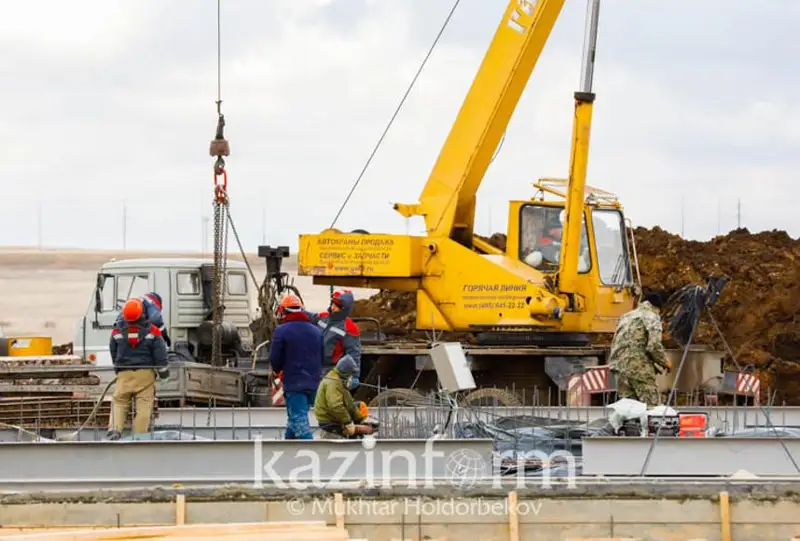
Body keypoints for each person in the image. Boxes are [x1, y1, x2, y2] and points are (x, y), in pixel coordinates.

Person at [107, 298, 171, 439]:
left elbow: (113, 350)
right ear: (142, 312)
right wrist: (164, 374)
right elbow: (160, 356)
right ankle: (139, 436)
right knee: (144, 406)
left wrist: (118, 368)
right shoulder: (153, 331)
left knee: (119, 402)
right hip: (145, 375)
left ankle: (115, 430)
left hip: (124, 374)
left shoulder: (116, 331)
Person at [268, 294, 323, 440]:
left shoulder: (281, 331)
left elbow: (275, 358)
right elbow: (322, 355)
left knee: (300, 423)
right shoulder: (316, 331)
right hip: (313, 382)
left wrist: (277, 370)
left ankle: (315, 453)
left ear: (283, 311)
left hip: (294, 383)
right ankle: (287, 448)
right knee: (294, 421)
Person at [608, 292, 671, 406]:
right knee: (651, 408)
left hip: (620, 368)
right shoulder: (652, 317)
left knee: (629, 410)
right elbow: (654, 346)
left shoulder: (626, 316)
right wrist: (665, 362)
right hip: (639, 368)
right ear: (658, 307)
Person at [306, 289, 362, 389]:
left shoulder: (350, 328)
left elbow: (353, 354)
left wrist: (354, 375)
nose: (333, 307)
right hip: (314, 368)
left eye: (337, 306)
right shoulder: (323, 317)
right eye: (333, 303)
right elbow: (309, 317)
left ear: (345, 308)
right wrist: (296, 309)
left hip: (331, 373)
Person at [314, 355, 372, 439]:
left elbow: (350, 405)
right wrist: (348, 422)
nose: (351, 377)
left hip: (334, 417)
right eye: (351, 374)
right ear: (346, 372)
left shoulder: (340, 380)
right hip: (329, 421)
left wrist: (361, 419)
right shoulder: (334, 382)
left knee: (359, 405)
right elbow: (336, 406)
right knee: (353, 436)